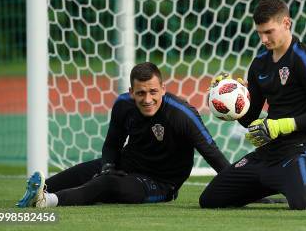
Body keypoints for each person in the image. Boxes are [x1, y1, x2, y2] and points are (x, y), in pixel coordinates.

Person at [199, 0, 306, 210]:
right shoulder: (260, 64)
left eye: (268, 32)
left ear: (286, 23)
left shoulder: (305, 58)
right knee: (210, 200)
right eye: (259, 33)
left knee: (304, 203)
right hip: (267, 154)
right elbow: (249, 119)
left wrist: (280, 125)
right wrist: (228, 101)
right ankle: (277, 183)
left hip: (299, 151)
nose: (263, 39)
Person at [16, 62, 230, 207]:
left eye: (153, 92)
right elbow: (112, 145)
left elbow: (212, 153)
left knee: (107, 184)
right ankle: (37, 192)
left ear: (163, 89)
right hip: (125, 165)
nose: (147, 99)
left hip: (162, 183)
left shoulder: (183, 115)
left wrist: (239, 188)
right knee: (79, 173)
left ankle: (48, 201)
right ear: (131, 92)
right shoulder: (123, 105)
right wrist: (108, 166)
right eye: (141, 93)